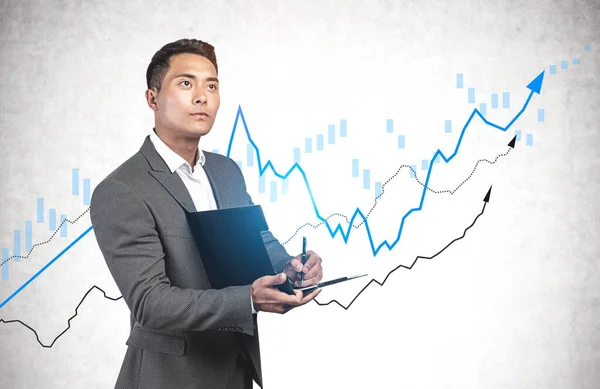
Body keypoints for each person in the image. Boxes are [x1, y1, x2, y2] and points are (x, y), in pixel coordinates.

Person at [90, 38, 324, 389]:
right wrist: (247, 299)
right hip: (168, 378)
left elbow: (258, 246)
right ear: (152, 99)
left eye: (211, 85)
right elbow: (150, 303)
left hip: (234, 370)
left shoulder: (226, 171)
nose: (202, 96)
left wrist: (289, 267)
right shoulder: (122, 190)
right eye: (186, 83)